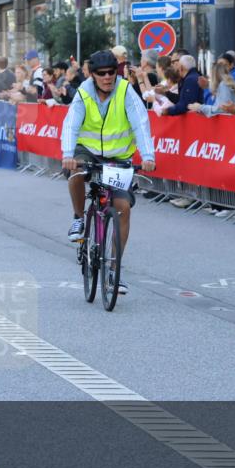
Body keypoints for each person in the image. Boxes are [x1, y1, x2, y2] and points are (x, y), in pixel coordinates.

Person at [61, 50, 156, 295]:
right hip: (88, 151)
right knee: (76, 171)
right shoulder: (84, 92)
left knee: (122, 208)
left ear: (117, 72)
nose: (107, 77)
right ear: (92, 75)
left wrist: (148, 157)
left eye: (111, 73)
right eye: (101, 74)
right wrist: (67, 154)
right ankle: (78, 218)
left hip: (118, 156)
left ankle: (113, 269)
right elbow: (71, 124)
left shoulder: (126, 92)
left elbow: (141, 124)